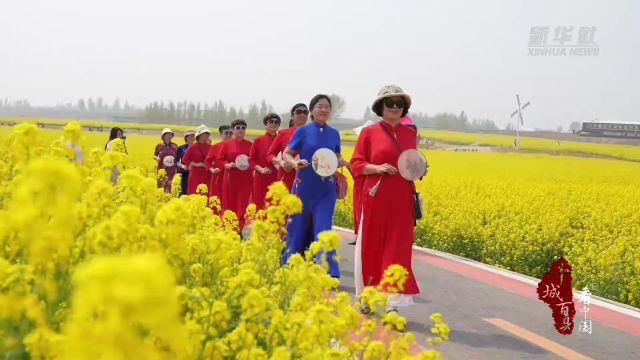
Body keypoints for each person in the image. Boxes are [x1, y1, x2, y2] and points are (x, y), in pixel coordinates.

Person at [350, 85, 420, 314]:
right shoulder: (369, 133)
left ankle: (393, 305)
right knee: (371, 246)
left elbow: (411, 162)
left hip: (401, 198)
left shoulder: (410, 134)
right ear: (381, 106)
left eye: (400, 104)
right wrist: (377, 167)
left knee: (397, 249)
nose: (395, 107)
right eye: (390, 103)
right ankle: (366, 296)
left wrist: (420, 169)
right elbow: (356, 164)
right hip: (375, 197)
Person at [281, 95, 348, 278]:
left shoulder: (334, 133)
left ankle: (328, 270)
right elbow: (287, 154)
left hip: (325, 189)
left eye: (327, 107)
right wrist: (295, 163)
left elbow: (336, 156)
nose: (324, 110)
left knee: (324, 228)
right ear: (311, 110)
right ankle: (289, 263)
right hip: (303, 187)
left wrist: (343, 162)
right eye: (320, 106)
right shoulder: (302, 131)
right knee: (296, 226)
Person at [215, 119, 253, 231]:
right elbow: (220, 159)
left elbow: (254, 160)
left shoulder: (250, 145)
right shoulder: (227, 144)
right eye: (238, 127)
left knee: (243, 205)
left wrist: (251, 164)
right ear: (232, 130)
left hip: (246, 179)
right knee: (229, 203)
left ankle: (239, 230)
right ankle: (228, 228)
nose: (241, 130)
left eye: (243, 127)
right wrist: (226, 165)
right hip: (230, 178)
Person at [267, 103, 309, 191]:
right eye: (299, 112)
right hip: (286, 177)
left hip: (307, 178)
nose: (302, 114)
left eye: (305, 112)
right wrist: (281, 163)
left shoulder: (313, 134)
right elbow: (269, 155)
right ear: (292, 116)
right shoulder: (283, 133)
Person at [250, 113, 281, 210]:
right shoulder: (258, 141)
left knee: (276, 208)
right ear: (265, 124)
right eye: (271, 121)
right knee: (260, 206)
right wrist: (260, 169)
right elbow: (251, 160)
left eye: (276, 122)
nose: (274, 124)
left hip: (278, 178)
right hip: (261, 179)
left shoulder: (282, 139)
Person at [181, 125, 212, 195]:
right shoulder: (192, 147)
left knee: (206, 197)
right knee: (194, 195)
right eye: (205, 133)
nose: (207, 135)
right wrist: (197, 164)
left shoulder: (211, 147)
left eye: (208, 134)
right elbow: (184, 160)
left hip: (207, 176)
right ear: (200, 135)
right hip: (195, 176)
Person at [205, 125, 232, 202]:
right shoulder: (216, 147)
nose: (229, 135)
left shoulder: (236, 146)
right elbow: (207, 161)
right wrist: (212, 170)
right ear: (221, 134)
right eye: (226, 133)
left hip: (232, 177)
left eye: (231, 133)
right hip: (218, 176)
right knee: (217, 199)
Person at [154, 128, 179, 193]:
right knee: (161, 189)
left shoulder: (175, 146)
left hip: (171, 171)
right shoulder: (159, 146)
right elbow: (154, 155)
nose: (169, 136)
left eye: (170, 135)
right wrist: (157, 158)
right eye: (167, 135)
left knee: (170, 188)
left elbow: (178, 158)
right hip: (161, 170)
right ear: (163, 136)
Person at [176, 129, 196, 196]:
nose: (193, 138)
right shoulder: (181, 148)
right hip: (185, 173)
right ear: (186, 137)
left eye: (194, 136)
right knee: (183, 191)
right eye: (191, 136)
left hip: (195, 173)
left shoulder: (197, 147)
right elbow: (175, 161)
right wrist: (182, 166)